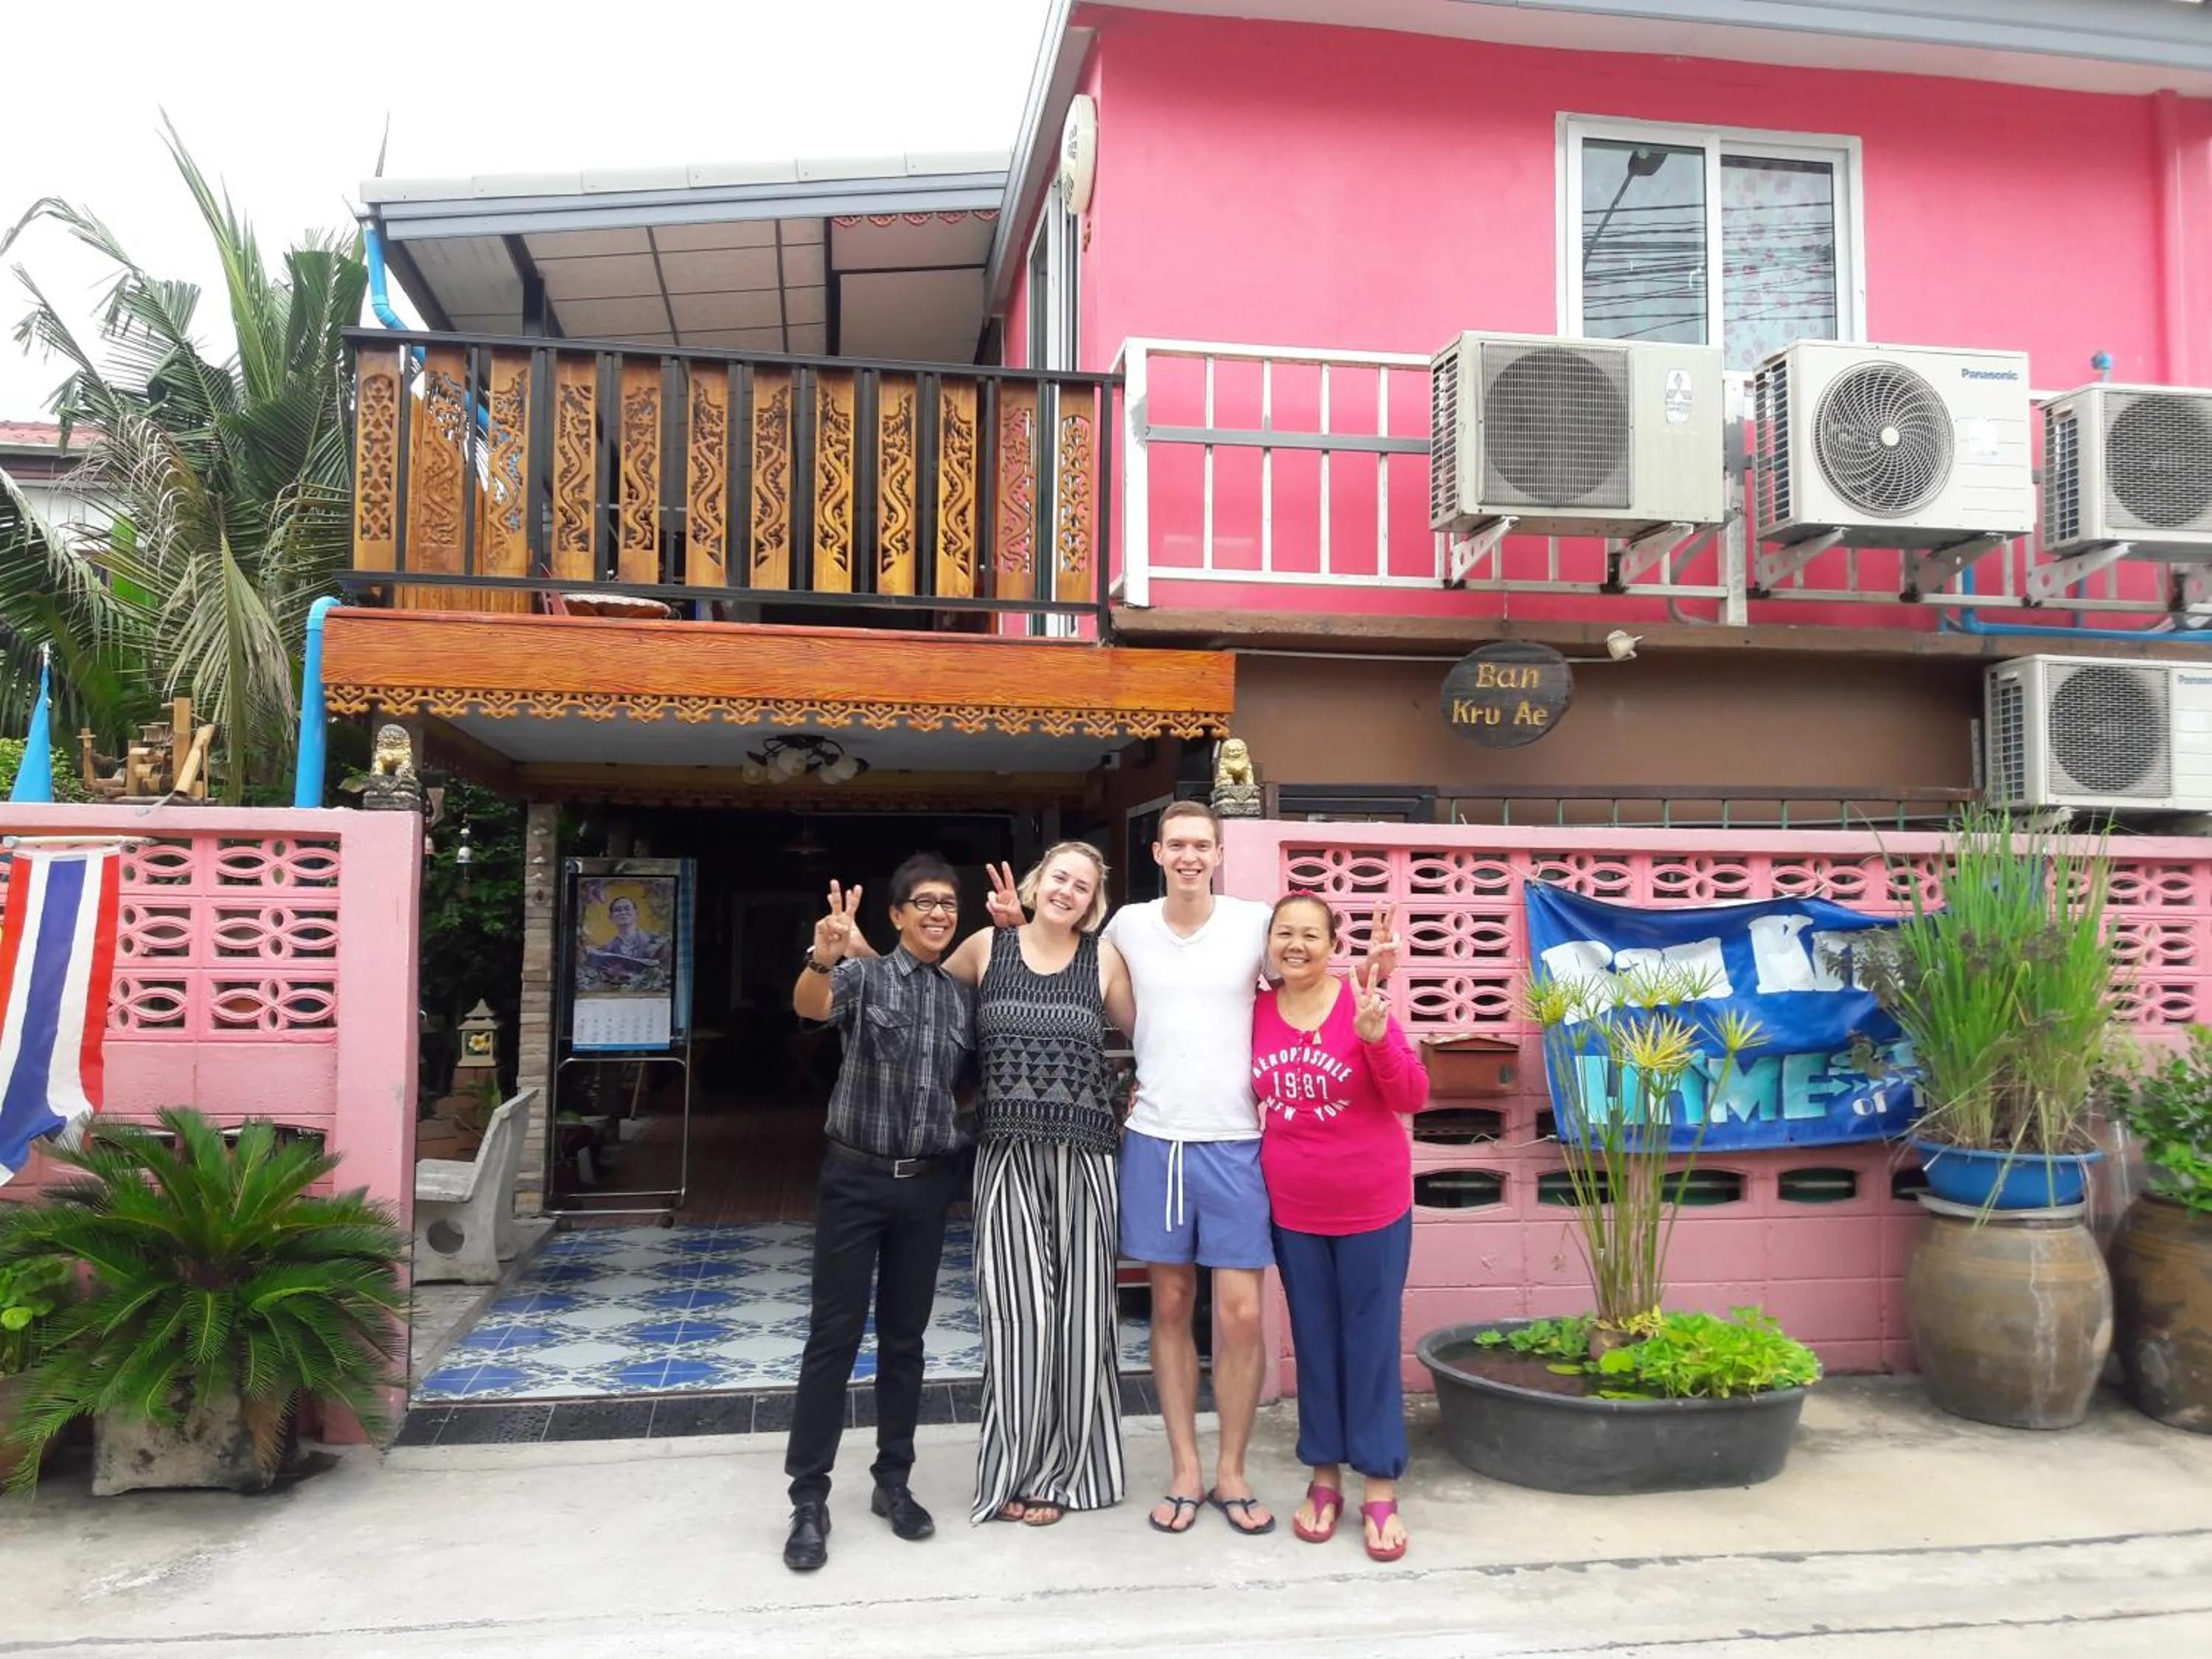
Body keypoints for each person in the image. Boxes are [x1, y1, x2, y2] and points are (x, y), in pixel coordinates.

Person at [1097, 799, 1397, 1537]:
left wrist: (1372, 973)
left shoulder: (1251, 922)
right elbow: (1108, 997)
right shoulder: (1128, 925)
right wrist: (1157, 1052)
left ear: (1219, 852)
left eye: (1203, 844)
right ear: (1159, 853)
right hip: (1156, 1140)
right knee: (1169, 1306)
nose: (1191, 855)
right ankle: (1185, 1469)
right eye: (1178, 845)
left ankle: (1231, 1469)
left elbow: (1303, 977)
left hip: (1236, 1145)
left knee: (1239, 1314)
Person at [780, 855, 976, 1573]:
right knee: (831, 1339)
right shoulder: (860, 977)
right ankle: (808, 1497)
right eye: (922, 904)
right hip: (855, 1182)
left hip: (926, 1188)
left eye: (949, 906)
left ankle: (893, 1481)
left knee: (906, 1341)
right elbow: (810, 1006)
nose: (937, 915)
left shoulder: (960, 999)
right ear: (895, 917)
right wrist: (821, 956)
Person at [941, 843, 1132, 1527]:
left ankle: (1066, 1471)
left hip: (1086, 1159)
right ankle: (1014, 1469)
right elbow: (915, 985)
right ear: (1034, 883)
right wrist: (857, 951)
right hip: (1006, 1156)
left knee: (1081, 1321)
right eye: (1060, 878)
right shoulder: (988, 947)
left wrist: (1143, 1097)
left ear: (1093, 900)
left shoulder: (1104, 958)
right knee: (1017, 1317)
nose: (1068, 892)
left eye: (1082, 886)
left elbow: (1161, 1039)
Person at [1252, 893, 1430, 1562]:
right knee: (1315, 1343)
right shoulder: (1256, 1012)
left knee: (1371, 1341)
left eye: (1310, 935)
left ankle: (1380, 1481)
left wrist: (1377, 1038)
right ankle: (1324, 1475)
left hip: (1373, 1206)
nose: (1296, 945)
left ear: (1333, 943)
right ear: (1270, 943)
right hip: (1292, 1208)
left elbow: (1412, 1097)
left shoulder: (1362, 1000)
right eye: (1284, 933)